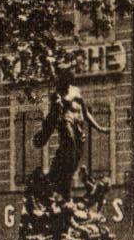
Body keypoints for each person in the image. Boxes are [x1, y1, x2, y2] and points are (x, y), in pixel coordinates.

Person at [34, 65, 106, 199]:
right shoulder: (57, 95)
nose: (70, 78)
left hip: (79, 128)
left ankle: (60, 188)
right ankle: (61, 191)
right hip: (66, 125)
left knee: (72, 163)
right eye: (67, 76)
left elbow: (85, 113)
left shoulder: (76, 91)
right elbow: (53, 116)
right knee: (70, 150)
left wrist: (99, 127)